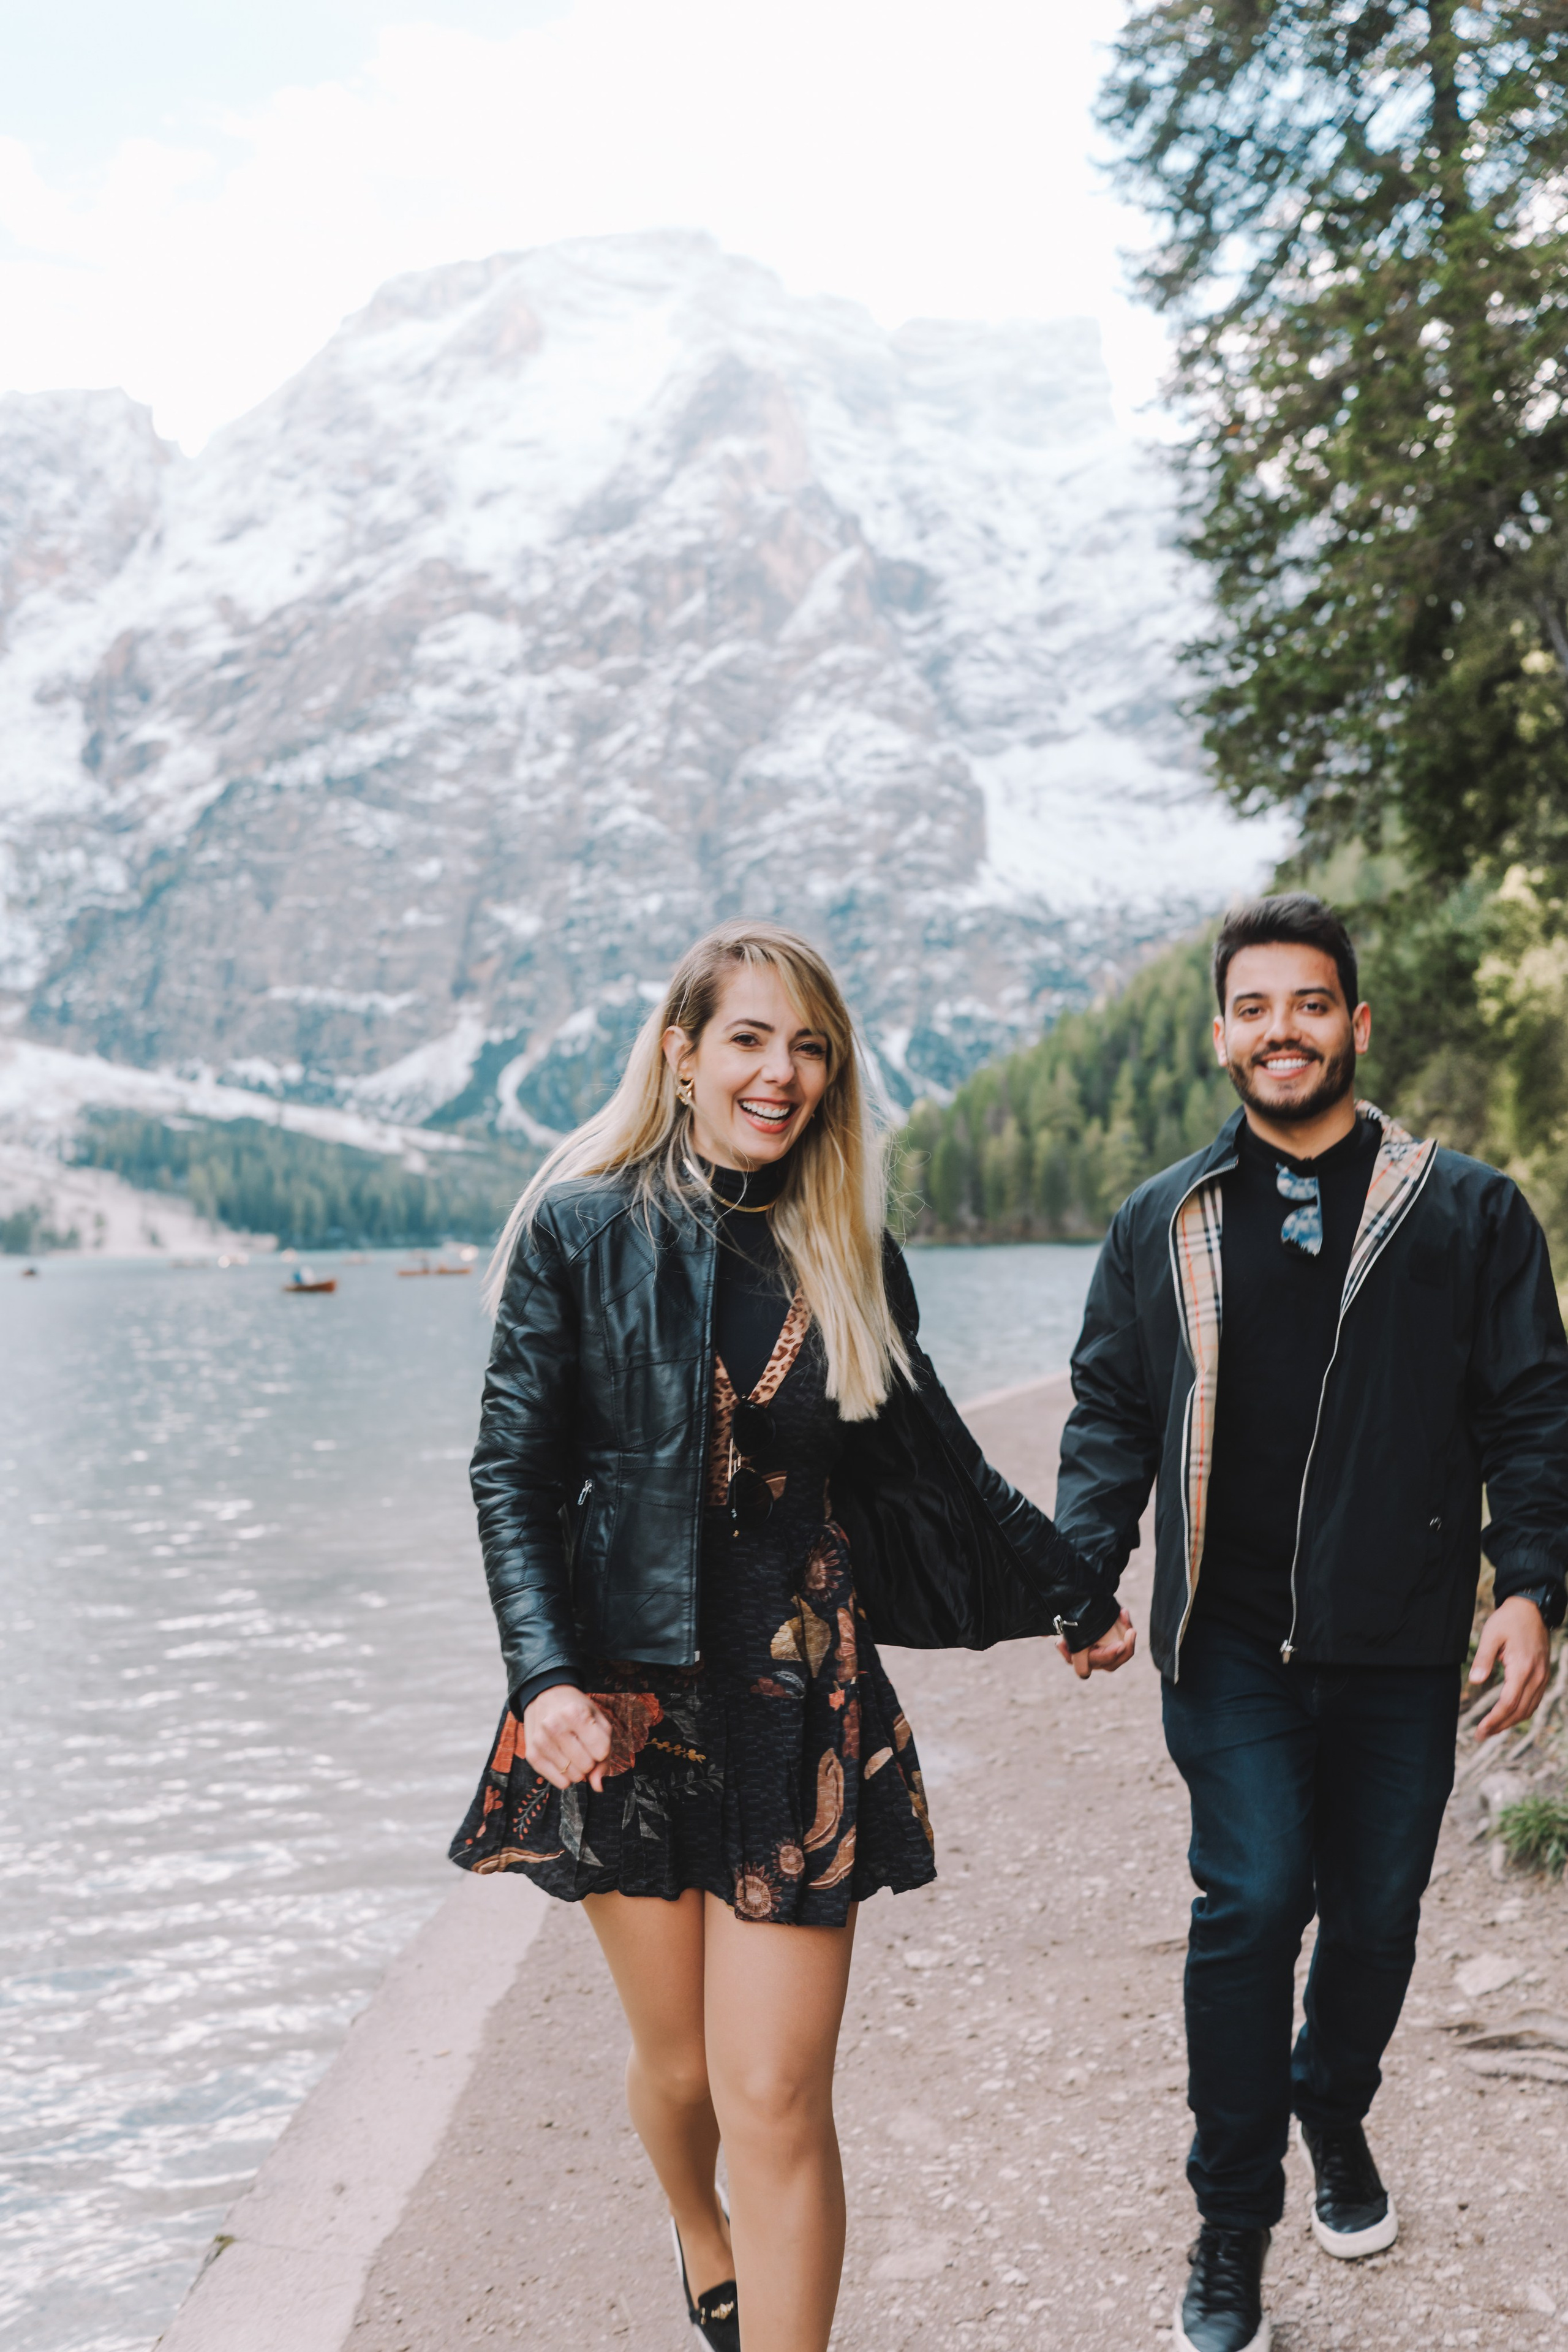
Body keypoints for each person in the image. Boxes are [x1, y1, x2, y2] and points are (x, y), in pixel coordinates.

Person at [450, 919, 1131, 2352]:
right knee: (683, 2070)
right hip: (620, 1700)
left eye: (808, 1045)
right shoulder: (580, 1229)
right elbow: (511, 1471)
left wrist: (1069, 1590)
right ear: (681, 1054)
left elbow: (936, 1458)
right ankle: (698, 2230)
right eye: (750, 1039)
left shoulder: (842, 1245)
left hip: (796, 1694)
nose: (781, 1071)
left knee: (773, 2094)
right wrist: (544, 1675)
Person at [1054, 892, 1568, 2352]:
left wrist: (1526, 1585)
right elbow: (1105, 1409)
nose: (1281, 1031)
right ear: (1220, 1033)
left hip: (1402, 1633)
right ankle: (1231, 2227)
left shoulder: (1462, 1209)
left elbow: (1530, 1410)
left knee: (1380, 1915)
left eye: (1309, 1003)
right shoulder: (1160, 1218)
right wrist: (1082, 1568)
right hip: (1225, 1643)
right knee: (1253, 1899)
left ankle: (1327, 2106)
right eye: (1253, 1008)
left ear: (1354, 1021)